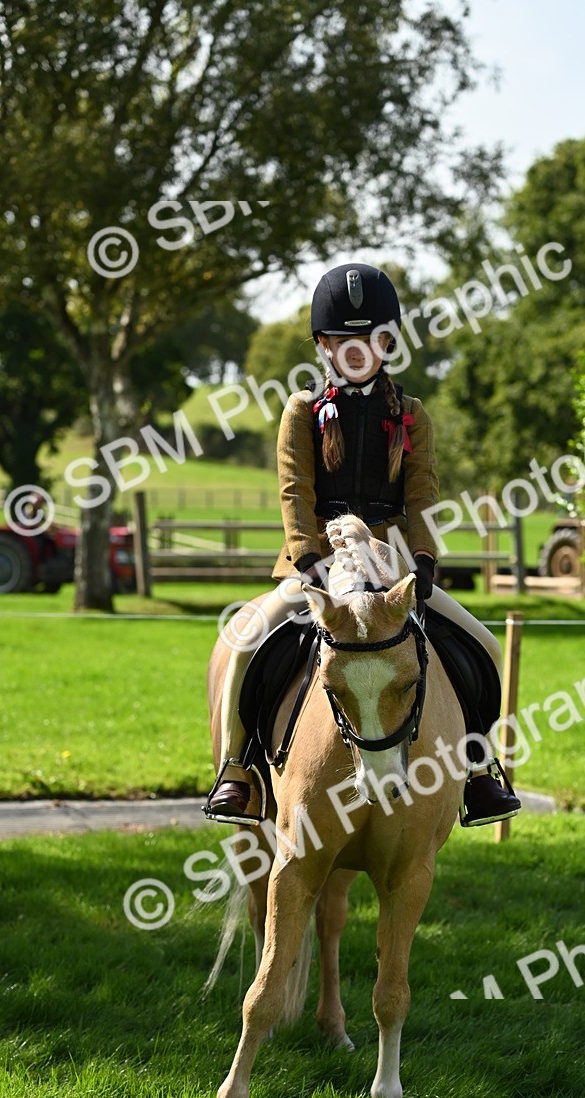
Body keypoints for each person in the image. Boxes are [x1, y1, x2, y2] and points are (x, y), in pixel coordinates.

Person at [205, 262, 521, 828]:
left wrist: (421, 560)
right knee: (247, 641)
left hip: (393, 560)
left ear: (389, 341)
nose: (357, 351)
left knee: (484, 645)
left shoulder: (411, 415)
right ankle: (236, 769)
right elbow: (294, 490)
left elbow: (422, 496)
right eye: (344, 340)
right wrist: (307, 559)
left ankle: (478, 770)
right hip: (318, 563)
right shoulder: (302, 411)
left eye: (370, 339)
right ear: (324, 344)